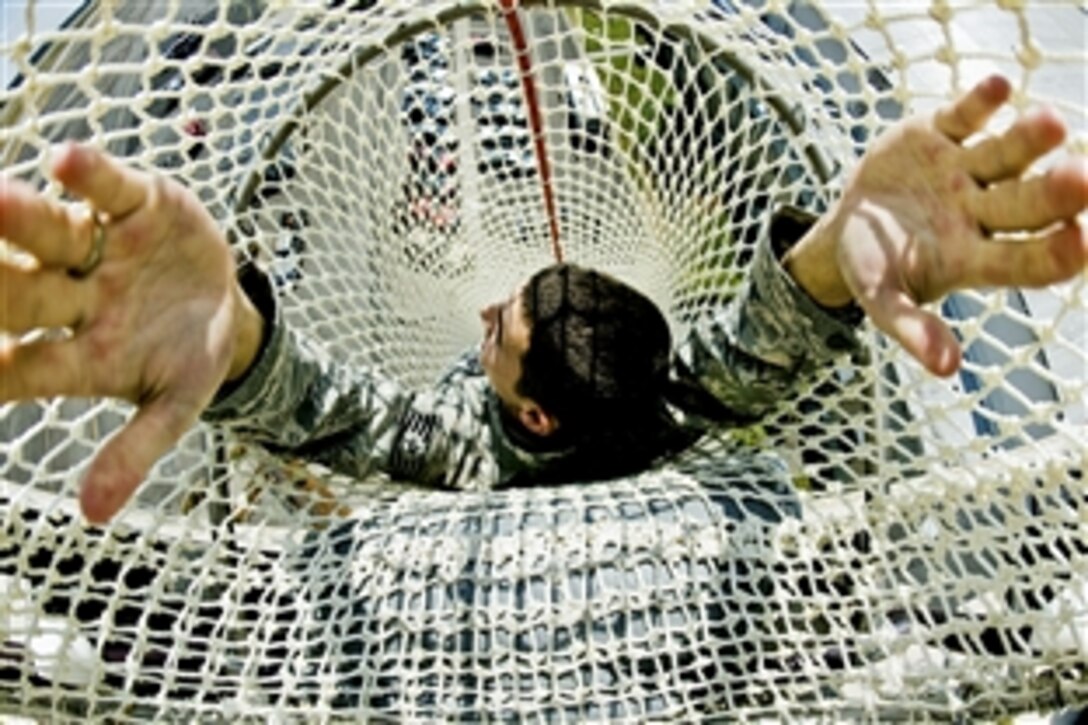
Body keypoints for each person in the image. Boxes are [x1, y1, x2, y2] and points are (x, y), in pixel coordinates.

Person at [1, 75, 1085, 525]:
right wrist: (227, 333)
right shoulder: (673, 407)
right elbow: (763, 344)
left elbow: (340, 415)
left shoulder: (464, 448)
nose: (481, 318)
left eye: (498, 331)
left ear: (530, 416)